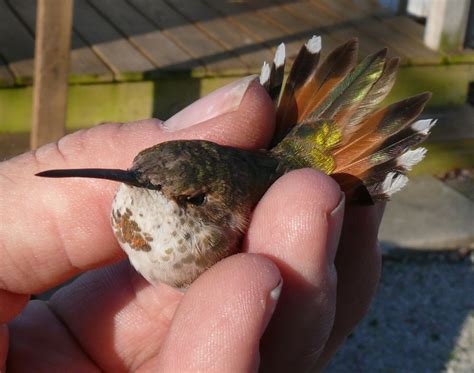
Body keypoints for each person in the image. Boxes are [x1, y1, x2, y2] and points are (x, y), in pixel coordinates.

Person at [0, 77, 383, 371]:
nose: (134, 183)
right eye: (137, 170)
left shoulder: (217, 234)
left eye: (186, 197)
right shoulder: (132, 204)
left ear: (207, 205)